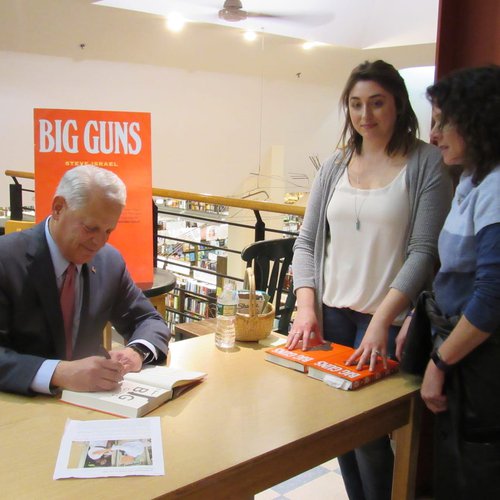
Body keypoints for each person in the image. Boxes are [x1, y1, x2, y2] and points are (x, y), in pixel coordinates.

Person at [287, 60, 453, 500]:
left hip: (387, 320)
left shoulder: (427, 163)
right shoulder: (335, 164)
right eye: (356, 104)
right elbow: (306, 242)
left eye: (377, 103)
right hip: (332, 316)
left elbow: (425, 251)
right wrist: (307, 306)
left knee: (371, 436)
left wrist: (382, 320)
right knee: (340, 427)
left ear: (398, 103)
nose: (366, 115)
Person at [0, 165, 171, 395]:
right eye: (91, 228)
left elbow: (148, 320)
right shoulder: (6, 259)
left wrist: (136, 351)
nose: (99, 242)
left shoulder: (109, 262)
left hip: (92, 408)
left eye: (108, 231)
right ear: (58, 208)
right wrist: (59, 373)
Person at [420, 65, 500, 498]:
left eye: (444, 121)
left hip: (481, 364)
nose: (435, 135)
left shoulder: (496, 188)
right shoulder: (473, 177)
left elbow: (491, 299)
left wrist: (440, 363)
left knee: (474, 473)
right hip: (464, 352)